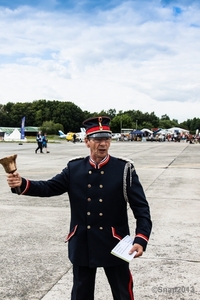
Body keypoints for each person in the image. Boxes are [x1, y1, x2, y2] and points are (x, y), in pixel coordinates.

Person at [6, 116, 152, 300]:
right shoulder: (74, 168)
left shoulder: (124, 170)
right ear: (86, 142)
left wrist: (141, 239)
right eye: (97, 139)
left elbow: (142, 209)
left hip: (115, 242)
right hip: (83, 241)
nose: (103, 144)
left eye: (106, 138)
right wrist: (21, 183)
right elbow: (49, 187)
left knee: (123, 292)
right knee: (81, 293)